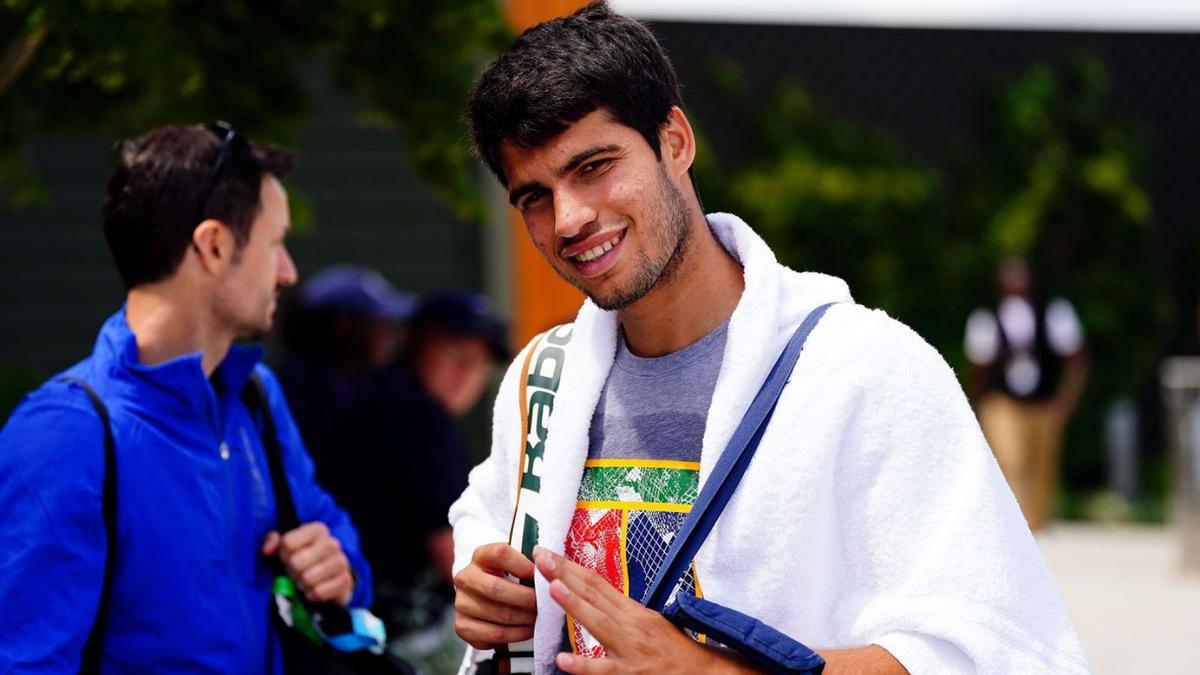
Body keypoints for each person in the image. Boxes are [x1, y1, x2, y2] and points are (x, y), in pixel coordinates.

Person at [448, 3, 1088, 674]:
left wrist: (714, 671)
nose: (570, 217)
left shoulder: (866, 372)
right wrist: (487, 594)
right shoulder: (541, 379)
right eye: (535, 198)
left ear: (675, 141)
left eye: (594, 166)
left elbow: (986, 649)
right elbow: (488, 522)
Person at [0, 123, 374, 672]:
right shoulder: (62, 434)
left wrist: (338, 565)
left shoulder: (254, 395)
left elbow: (330, 535)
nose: (289, 272)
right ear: (215, 246)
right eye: (276, 245)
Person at [292, 290, 508, 673]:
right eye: (457, 356)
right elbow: (456, 559)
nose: (467, 375)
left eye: (479, 364)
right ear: (414, 342)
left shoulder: (380, 395)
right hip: (386, 631)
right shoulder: (417, 415)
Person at [965, 257, 1088, 531]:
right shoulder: (985, 319)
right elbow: (979, 369)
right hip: (1003, 403)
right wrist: (978, 405)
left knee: (1044, 468)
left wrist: (1066, 401)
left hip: (1044, 404)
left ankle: (1036, 525)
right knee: (1012, 462)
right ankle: (1016, 526)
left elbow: (1076, 361)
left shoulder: (1055, 313)